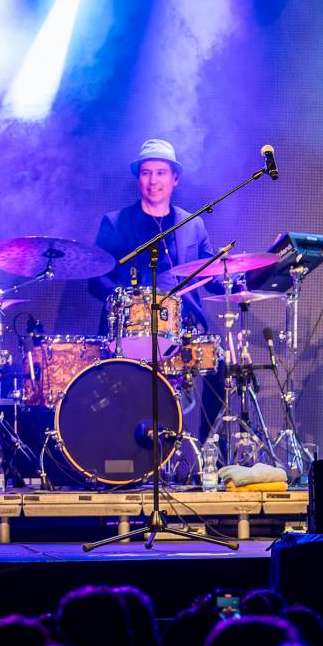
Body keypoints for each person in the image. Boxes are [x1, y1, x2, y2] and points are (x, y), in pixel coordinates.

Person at [90, 139, 217, 433]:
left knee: (221, 367)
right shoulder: (115, 222)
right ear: (139, 179)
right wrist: (121, 301)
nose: (153, 181)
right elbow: (96, 276)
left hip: (183, 328)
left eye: (161, 173)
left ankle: (208, 445)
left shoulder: (193, 224)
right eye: (146, 173)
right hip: (129, 329)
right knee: (129, 402)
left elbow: (210, 273)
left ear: (174, 179)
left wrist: (242, 278)